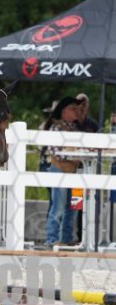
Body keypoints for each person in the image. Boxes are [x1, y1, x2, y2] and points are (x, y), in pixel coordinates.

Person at [45, 96, 83, 248]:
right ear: (63, 111)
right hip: (59, 169)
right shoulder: (56, 128)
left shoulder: (74, 129)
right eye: (73, 109)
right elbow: (55, 151)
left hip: (74, 171)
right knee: (59, 207)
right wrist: (74, 157)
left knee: (73, 208)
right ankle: (52, 238)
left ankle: (66, 238)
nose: (77, 112)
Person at [75, 93, 99, 243]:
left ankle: (89, 237)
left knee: (91, 203)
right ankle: (79, 237)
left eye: (84, 104)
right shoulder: (71, 124)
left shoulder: (93, 124)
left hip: (90, 169)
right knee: (77, 204)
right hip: (75, 170)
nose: (82, 107)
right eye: (79, 104)